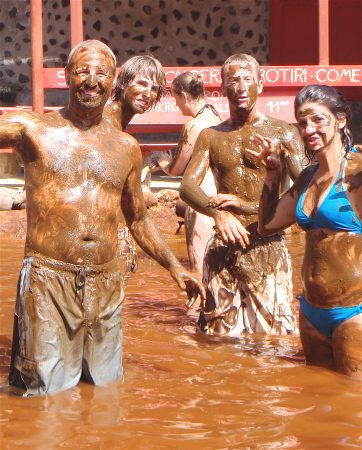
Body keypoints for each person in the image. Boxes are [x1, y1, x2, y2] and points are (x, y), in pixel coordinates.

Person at [0, 40, 204, 396]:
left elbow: (138, 219)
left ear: (113, 82)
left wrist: (175, 267)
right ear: (66, 76)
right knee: (46, 394)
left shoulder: (126, 147)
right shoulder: (32, 130)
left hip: (106, 283)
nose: (91, 79)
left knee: (106, 391)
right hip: (49, 277)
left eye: (101, 73)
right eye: (82, 71)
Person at [180, 53, 304, 336]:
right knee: (217, 341)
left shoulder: (283, 133)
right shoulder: (211, 136)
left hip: (267, 245)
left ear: (260, 85)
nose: (240, 86)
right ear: (222, 88)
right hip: (224, 247)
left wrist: (247, 206)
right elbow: (187, 186)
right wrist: (218, 213)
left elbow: (306, 189)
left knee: (274, 343)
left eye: (247, 79)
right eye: (232, 80)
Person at [248, 84, 361, 377]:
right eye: (302, 122)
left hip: (354, 313)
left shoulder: (357, 171)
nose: (308, 128)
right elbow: (268, 224)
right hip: (311, 313)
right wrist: (273, 174)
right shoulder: (307, 177)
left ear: (341, 119)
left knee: (353, 403)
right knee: (320, 401)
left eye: (317, 120)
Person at [142, 72, 222, 272]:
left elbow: (176, 169)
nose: (177, 105)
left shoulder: (193, 126)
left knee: (198, 270)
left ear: (185, 96)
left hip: (200, 202)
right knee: (216, 271)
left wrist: (162, 163)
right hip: (220, 201)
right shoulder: (215, 116)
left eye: (176, 98)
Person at [104, 55, 166, 280]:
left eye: (154, 88)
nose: (148, 93)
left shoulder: (121, 129)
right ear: (122, 83)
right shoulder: (104, 125)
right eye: (141, 83)